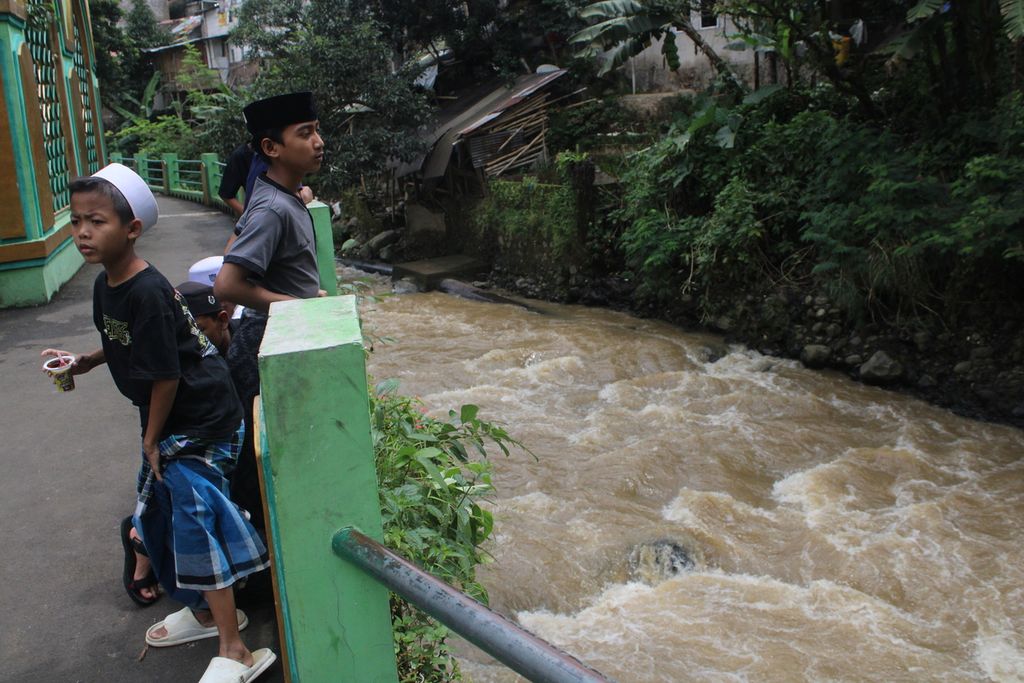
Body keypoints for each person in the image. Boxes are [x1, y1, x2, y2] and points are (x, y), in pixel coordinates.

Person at [41, 163, 276, 683]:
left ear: (131, 230)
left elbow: (167, 375)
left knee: (195, 520)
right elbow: (128, 340)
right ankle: (202, 614)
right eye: (77, 221)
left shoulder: (146, 288)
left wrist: (152, 440)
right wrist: (85, 360)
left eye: (96, 221)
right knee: (156, 516)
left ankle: (236, 648)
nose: (83, 232)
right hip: (170, 419)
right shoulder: (110, 285)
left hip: (203, 419)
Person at [214, 91, 326, 526]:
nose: (318, 142)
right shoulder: (272, 209)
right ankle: (252, 573)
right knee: (257, 464)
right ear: (271, 149)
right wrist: (295, 306)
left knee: (265, 458)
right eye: (305, 133)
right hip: (263, 348)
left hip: (274, 340)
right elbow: (228, 283)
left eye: (316, 131)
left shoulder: (284, 197)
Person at [177, 281, 234, 356]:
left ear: (222, 321)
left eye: (198, 331)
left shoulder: (250, 344)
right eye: (180, 334)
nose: (189, 343)